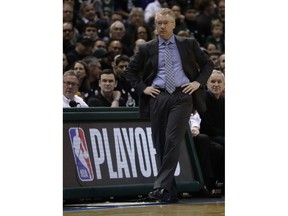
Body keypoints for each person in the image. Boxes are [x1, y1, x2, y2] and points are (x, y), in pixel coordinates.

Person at [124, 8, 214, 203]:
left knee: (172, 139)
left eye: (166, 22)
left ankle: (159, 187)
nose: (162, 26)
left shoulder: (188, 44)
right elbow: (130, 72)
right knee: (161, 145)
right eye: (159, 23)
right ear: (155, 25)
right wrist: (143, 88)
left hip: (182, 96)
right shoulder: (147, 47)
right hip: (157, 97)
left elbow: (208, 64)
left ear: (174, 24)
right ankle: (169, 193)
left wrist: (198, 83)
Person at [189, 111, 224, 197]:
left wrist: (195, 127)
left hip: (192, 133)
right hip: (178, 133)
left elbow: (193, 115)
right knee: (204, 139)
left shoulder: (189, 102)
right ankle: (202, 185)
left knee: (217, 149)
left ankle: (206, 183)